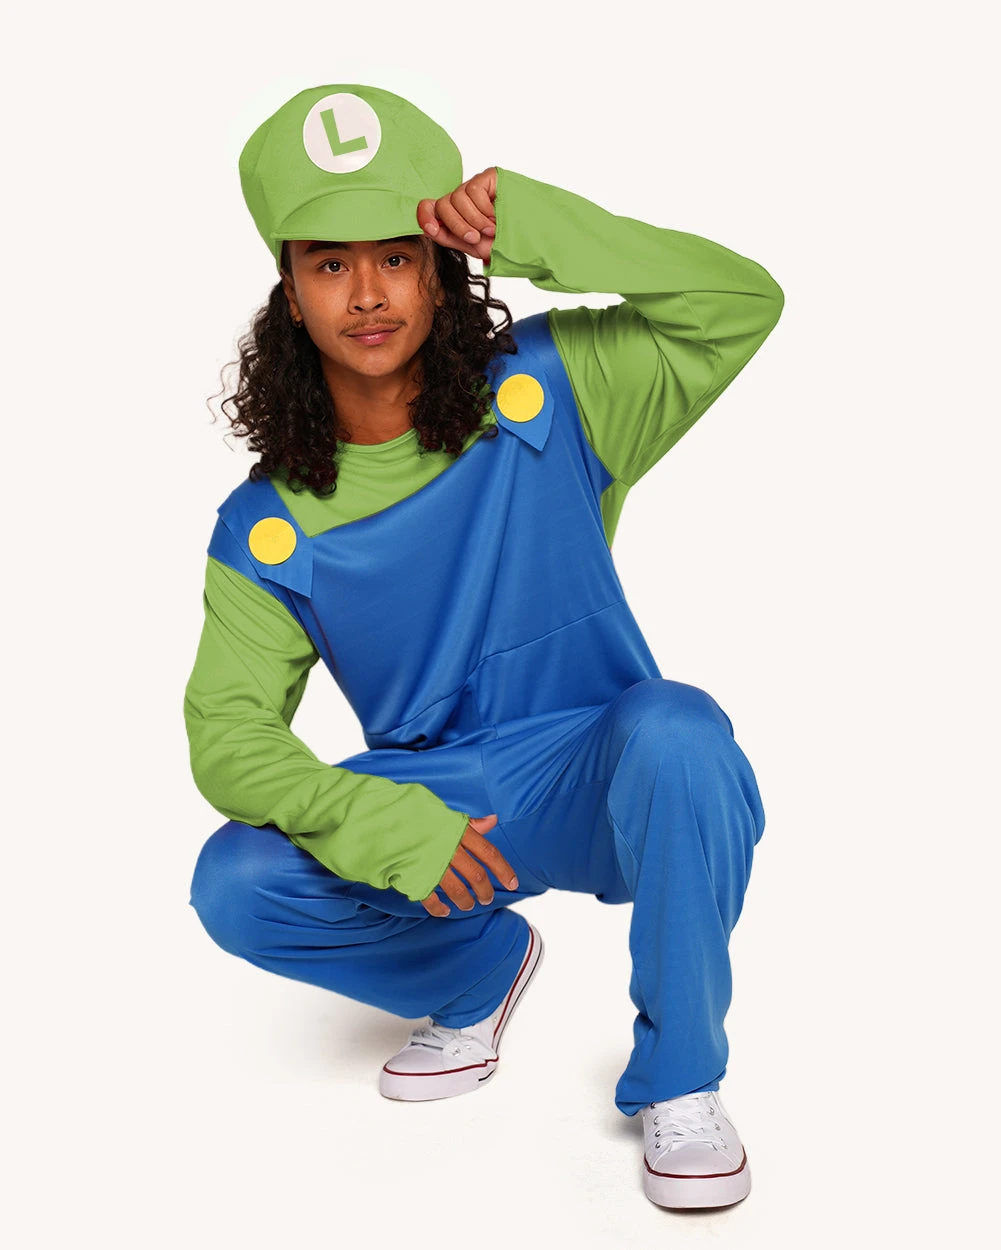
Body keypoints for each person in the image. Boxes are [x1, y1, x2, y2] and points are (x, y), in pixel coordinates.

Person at [185, 83, 784, 1211]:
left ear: (441, 267)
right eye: (329, 263)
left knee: (681, 730)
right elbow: (226, 736)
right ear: (289, 292)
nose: (368, 294)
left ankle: (680, 1080)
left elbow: (738, 303)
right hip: (443, 814)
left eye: (397, 256)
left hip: (599, 775)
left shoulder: (552, 388)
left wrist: (541, 227)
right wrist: (378, 820)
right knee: (236, 881)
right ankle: (478, 971)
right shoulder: (265, 524)